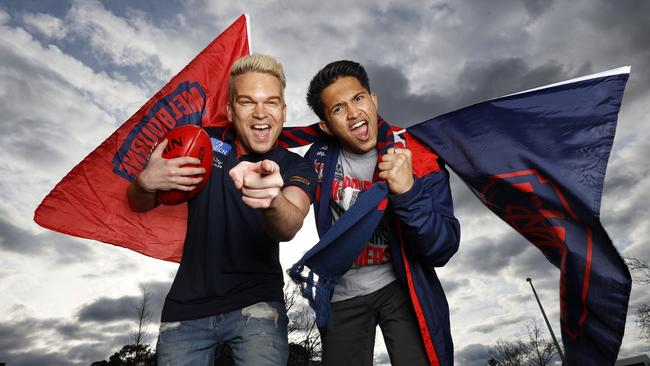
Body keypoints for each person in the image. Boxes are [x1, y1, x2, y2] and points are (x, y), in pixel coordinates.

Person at [127, 53, 316, 365]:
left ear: (283, 111)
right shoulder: (199, 142)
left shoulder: (296, 165)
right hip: (186, 309)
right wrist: (146, 183)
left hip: (258, 305)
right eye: (247, 102)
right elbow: (139, 203)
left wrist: (272, 200)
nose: (260, 112)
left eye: (270, 102)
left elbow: (289, 225)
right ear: (230, 110)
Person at [303, 60, 461, 366]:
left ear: (373, 101)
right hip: (342, 293)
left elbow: (443, 248)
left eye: (358, 99)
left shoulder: (420, 157)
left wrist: (408, 193)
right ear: (326, 126)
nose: (353, 113)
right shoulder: (318, 160)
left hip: (402, 286)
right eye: (338, 109)